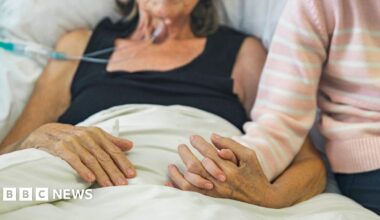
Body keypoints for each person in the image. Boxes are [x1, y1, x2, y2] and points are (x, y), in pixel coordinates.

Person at [0, 0, 326, 208]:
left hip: (196, 192)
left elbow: (308, 164)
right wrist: (45, 137)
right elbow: (9, 152)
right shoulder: (79, 45)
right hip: (89, 190)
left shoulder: (243, 52)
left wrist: (267, 198)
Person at [176, 0, 379, 214]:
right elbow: (280, 120)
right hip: (371, 154)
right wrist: (229, 167)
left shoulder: (240, 50)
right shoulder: (317, 6)